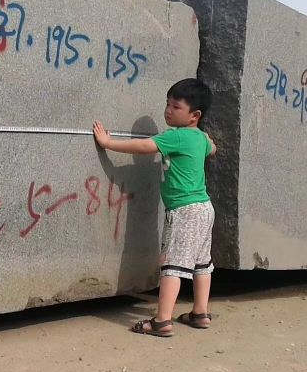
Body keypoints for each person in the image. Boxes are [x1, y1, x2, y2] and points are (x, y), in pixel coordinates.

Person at [92, 78, 217, 337]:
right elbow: (212, 148)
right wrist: (205, 136)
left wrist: (108, 143)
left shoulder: (176, 136)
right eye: (167, 104)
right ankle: (200, 313)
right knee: (202, 263)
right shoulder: (199, 138)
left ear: (194, 115)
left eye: (176, 107)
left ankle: (162, 321)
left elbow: (144, 146)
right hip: (205, 209)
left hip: (184, 210)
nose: (168, 111)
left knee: (172, 265)